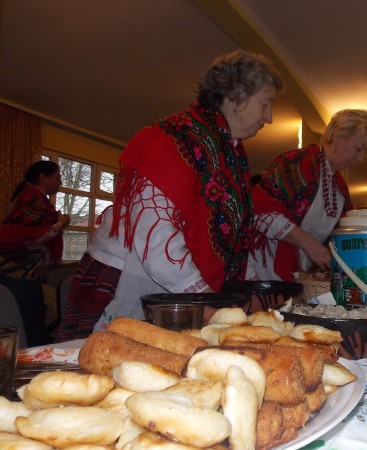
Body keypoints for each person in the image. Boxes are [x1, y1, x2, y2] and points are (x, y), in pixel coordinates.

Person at [59, 50, 284, 341]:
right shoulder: (169, 138)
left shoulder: (231, 154)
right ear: (237, 96)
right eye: (265, 104)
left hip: (176, 287)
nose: (269, 117)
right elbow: (153, 234)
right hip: (128, 279)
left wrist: (251, 293)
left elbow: (234, 238)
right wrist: (204, 300)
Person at [247, 108, 367, 281]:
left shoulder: (340, 189)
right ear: (338, 136)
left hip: (296, 275)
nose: (361, 158)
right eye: (359, 149)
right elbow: (259, 210)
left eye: (366, 152)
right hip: (262, 269)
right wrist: (309, 244)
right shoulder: (295, 162)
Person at [1, 160, 71, 266]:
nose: (60, 183)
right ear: (43, 178)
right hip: (22, 266)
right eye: (57, 178)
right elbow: (27, 235)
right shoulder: (30, 198)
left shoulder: (34, 197)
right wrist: (60, 224)